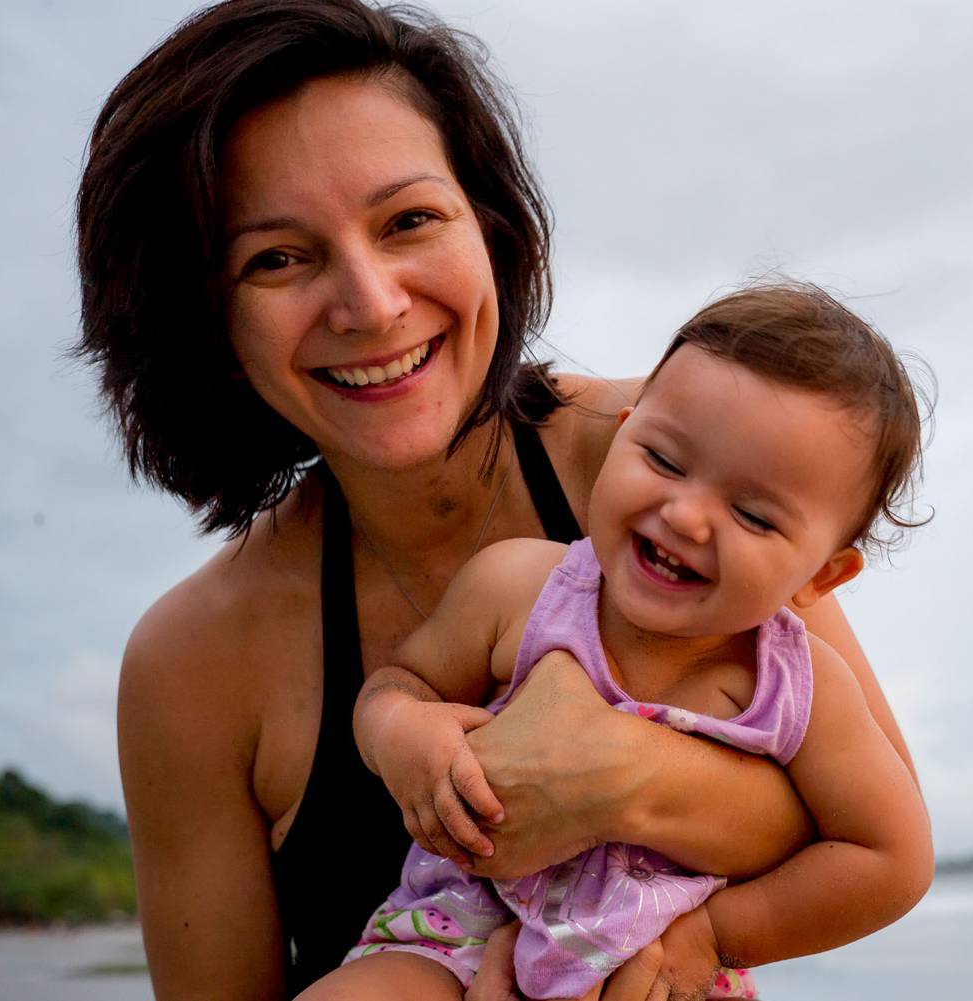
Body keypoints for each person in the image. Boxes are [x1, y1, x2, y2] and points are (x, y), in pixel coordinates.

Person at [73, 1, 919, 997]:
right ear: (203, 315)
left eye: (408, 220)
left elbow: (873, 832)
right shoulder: (193, 662)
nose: (373, 303)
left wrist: (618, 778)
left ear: (491, 225)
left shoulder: (687, 477)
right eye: (278, 258)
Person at [304, 284, 933, 1000]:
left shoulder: (797, 686)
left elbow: (893, 857)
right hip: (455, 938)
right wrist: (402, 732)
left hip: (658, 966)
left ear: (822, 574)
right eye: (664, 460)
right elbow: (398, 683)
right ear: (622, 437)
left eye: (753, 514)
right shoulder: (521, 586)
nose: (687, 516)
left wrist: (720, 932)